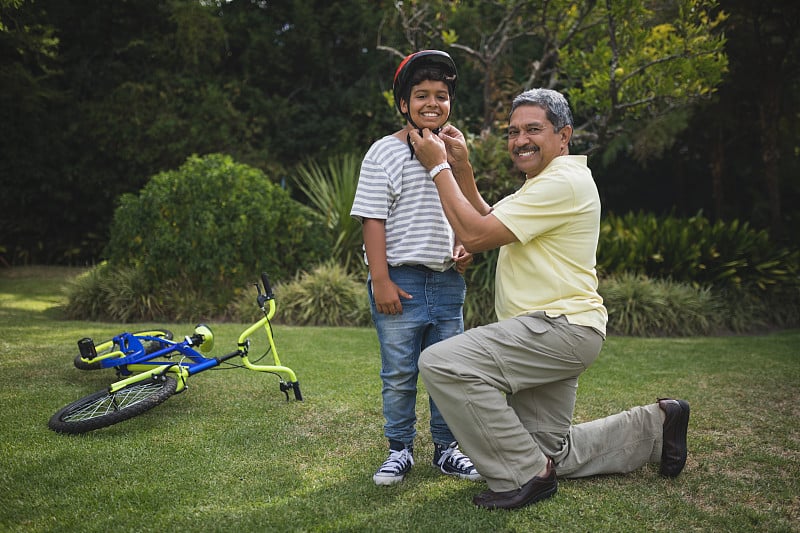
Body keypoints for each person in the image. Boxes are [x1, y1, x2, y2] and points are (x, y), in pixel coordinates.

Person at [409, 88, 690, 509]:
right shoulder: (541, 184)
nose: (520, 139)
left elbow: (475, 233)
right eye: (513, 131)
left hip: (556, 327)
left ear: (564, 136)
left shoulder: (563, 181)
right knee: (547, 452)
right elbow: (487, 221)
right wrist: (464, 168)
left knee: (441, 362)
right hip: (552, 331)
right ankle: (657, 425)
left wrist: (439, 167)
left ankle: (526, 477)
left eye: (533, 129)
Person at [349, 50, 482, 486]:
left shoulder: (454, 150)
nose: (432, 103)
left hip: (446, 281)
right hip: (400, 282)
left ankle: (447, 450)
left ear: (450, 103)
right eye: (421, 95)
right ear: (403, 103)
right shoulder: (383, 153)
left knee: (448, 372)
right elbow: (373, 218)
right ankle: (399, 449)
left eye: (441, 95)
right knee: (400, 372)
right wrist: (381, 278)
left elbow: (462, 206)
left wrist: (463, 242)